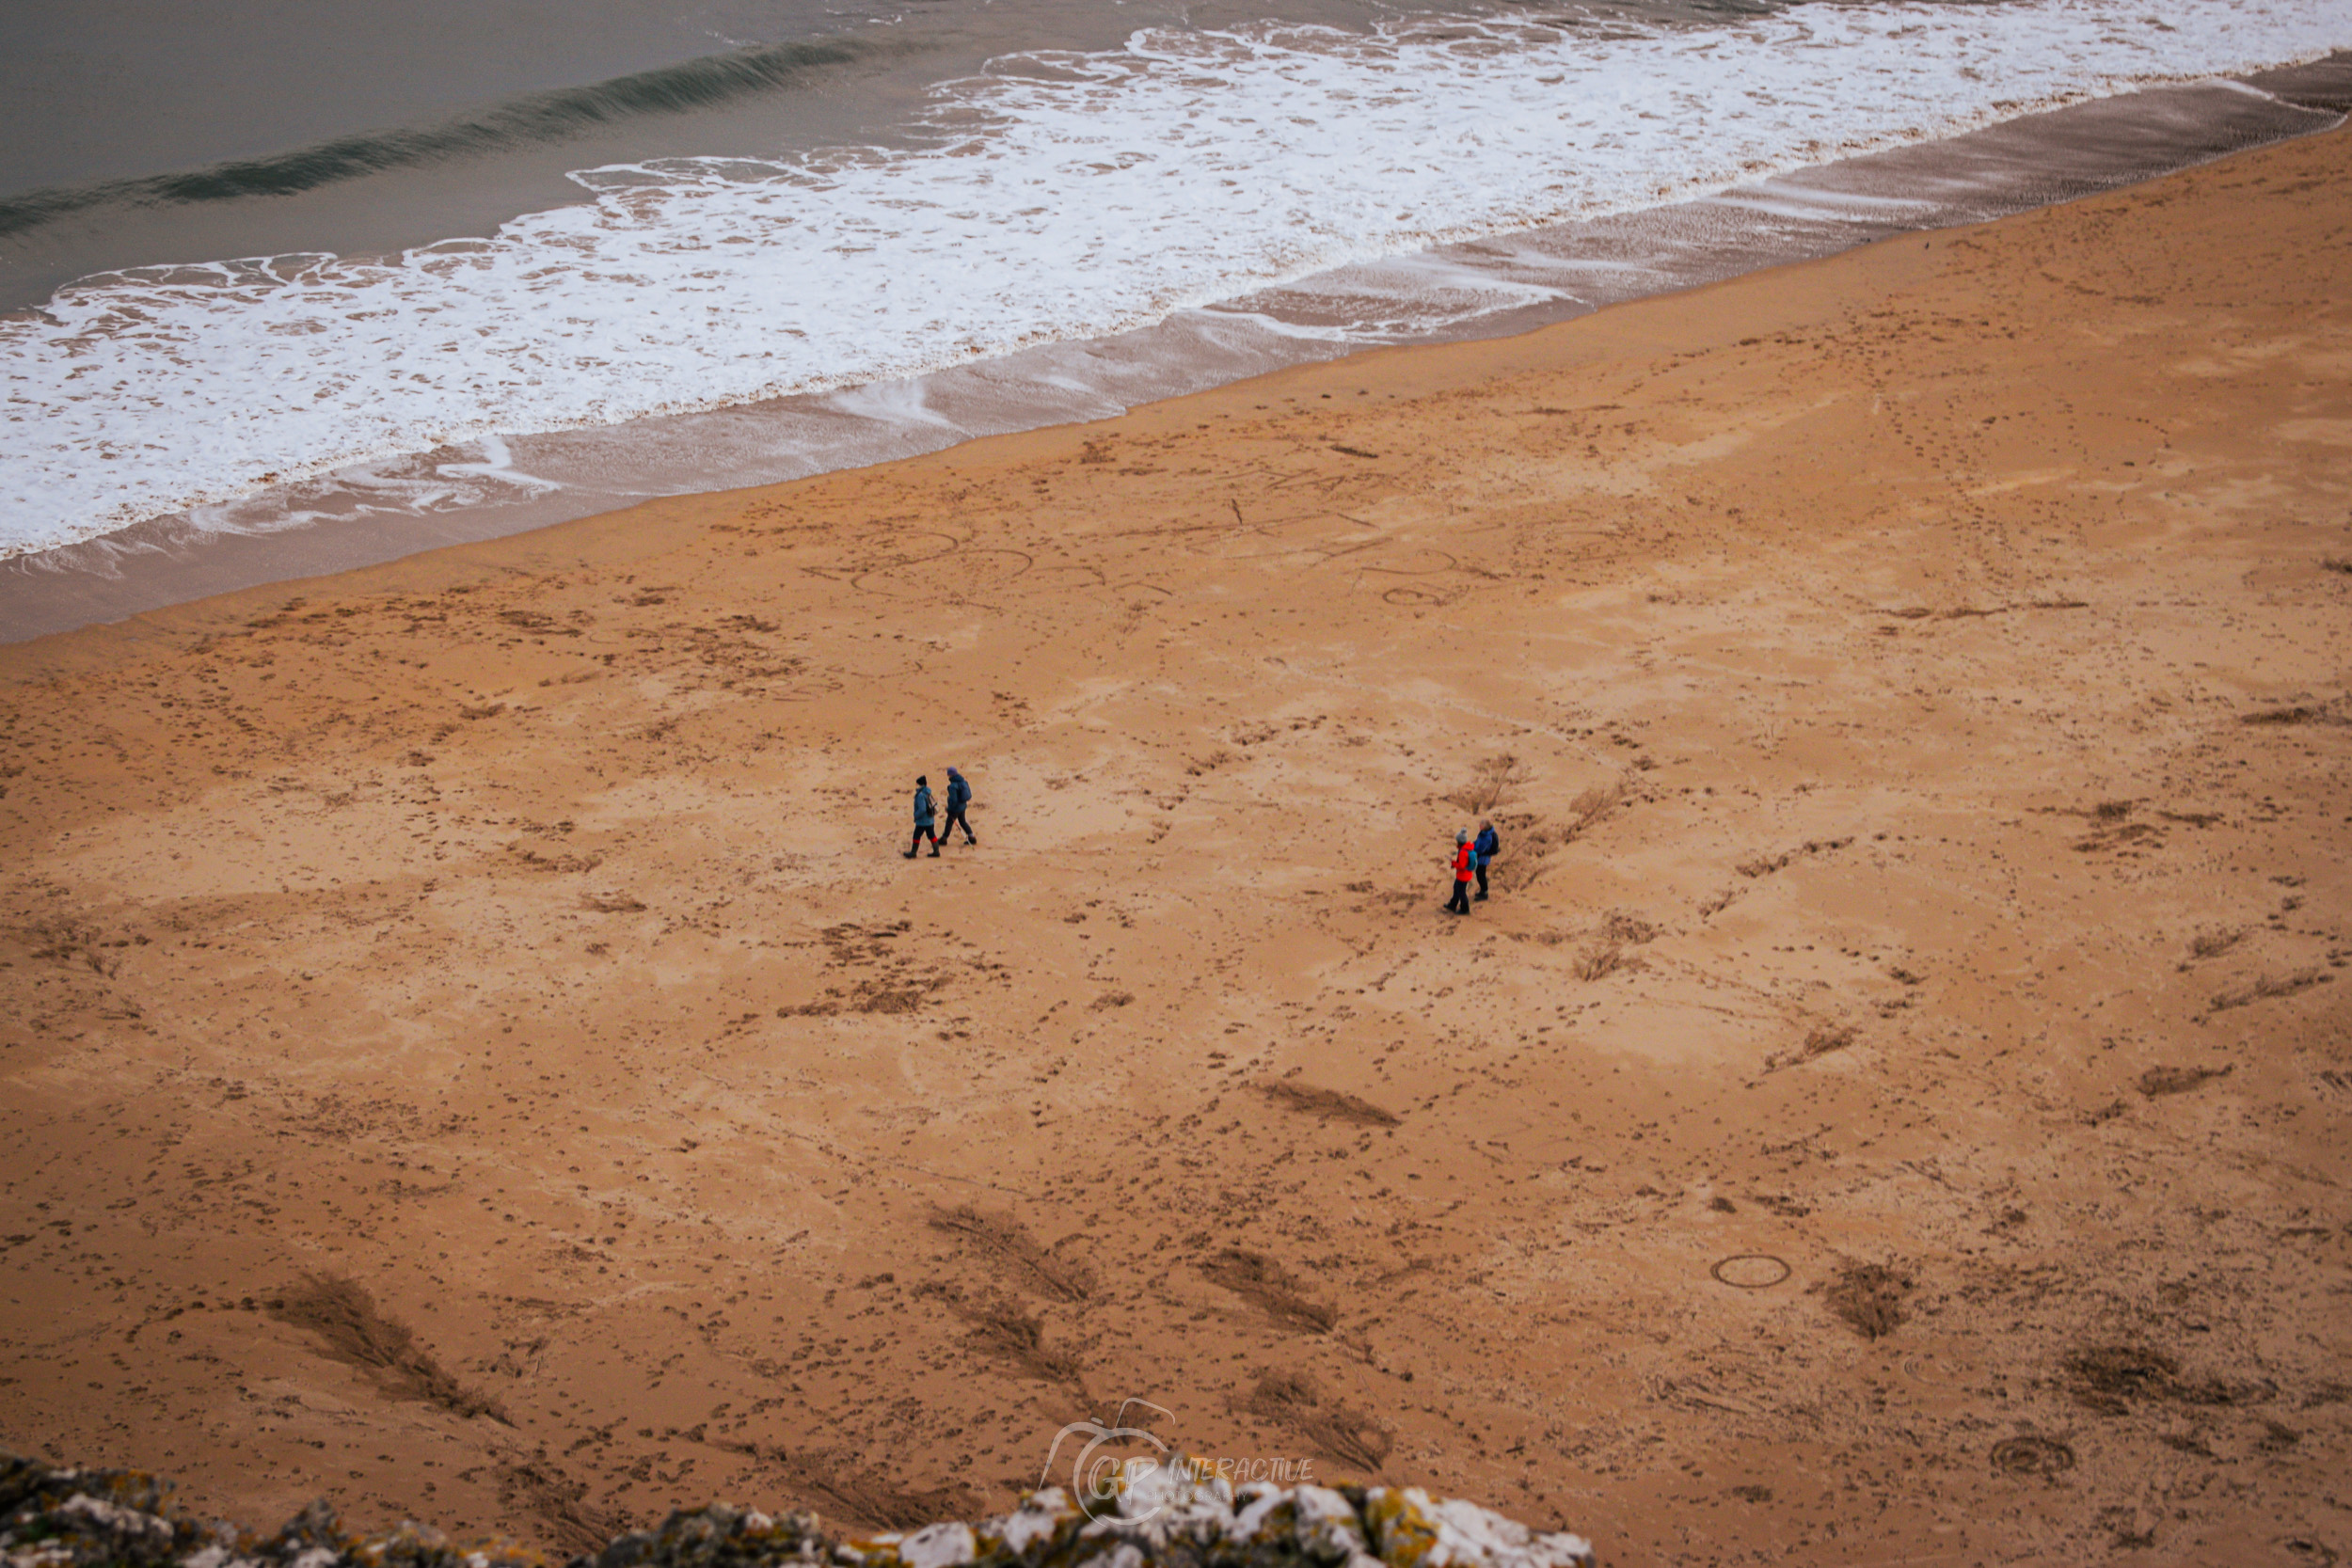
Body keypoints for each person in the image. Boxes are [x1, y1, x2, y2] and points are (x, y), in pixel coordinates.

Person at [905, 776, 942, 858]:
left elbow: (922, 809)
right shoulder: (927, 792)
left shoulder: (920, 795)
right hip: (930, 820)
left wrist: (916, 815)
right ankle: (936, 851)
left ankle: (913, 853)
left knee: (916, 836)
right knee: (932, 835)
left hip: (923, 821)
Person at [942, 767, 977, 847]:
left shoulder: (953, 786)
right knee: (963, 822)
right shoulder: (963, 781)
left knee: (949, 823)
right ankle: (972, 837)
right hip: (963, 806)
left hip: (955, 808)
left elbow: (954, 800)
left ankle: (944, 839)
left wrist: (949, 808)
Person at [1446, 829, 1474, 914]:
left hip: (1463, 876)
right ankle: (1452, 905)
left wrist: (1453, 863)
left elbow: (1462, 866)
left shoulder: (1463, 852)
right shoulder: (1468, 848)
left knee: (1461, 892)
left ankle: (1465, 909)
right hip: (1465, 875)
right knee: (1456, 889)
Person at [1473, 820, 1500, 901]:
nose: (1479, 826)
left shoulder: (1488, 837)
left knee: (1481, 875)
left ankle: (1484, 893)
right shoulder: (1483, 833)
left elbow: (1481, 849)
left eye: (1481, 825)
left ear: (1485, 827)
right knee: (1479, 874)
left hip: (1483, 858)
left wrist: (1473, 849)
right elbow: (1478, 842)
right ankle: (1483, 891)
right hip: (1481, 857)